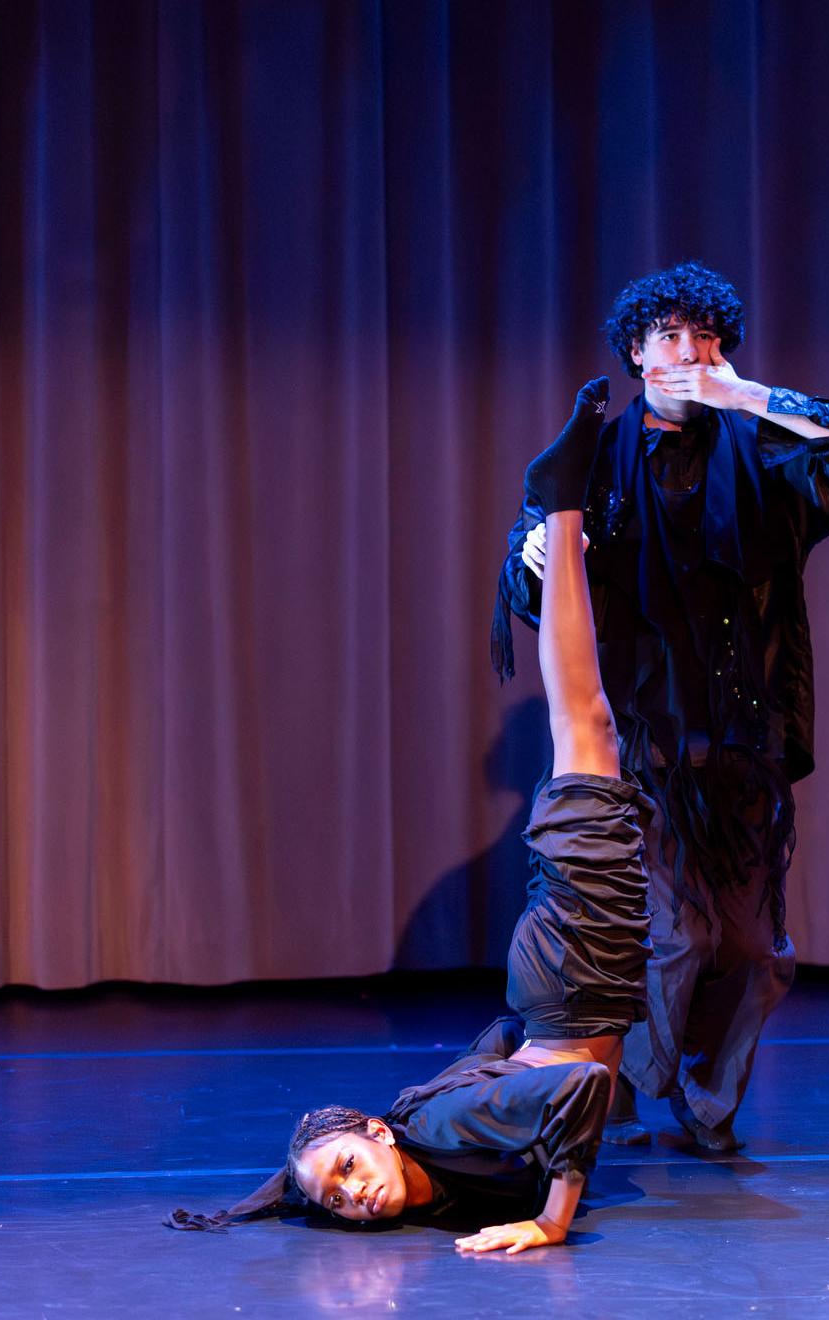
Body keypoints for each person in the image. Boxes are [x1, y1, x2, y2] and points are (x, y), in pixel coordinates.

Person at [170, 376, 646, 1254]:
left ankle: (565, 506)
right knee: (590, 730)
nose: (349, 1197)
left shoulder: (451, 1129)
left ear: (378, 1135)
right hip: (569, 986)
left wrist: (551, 1220)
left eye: (344, 1169)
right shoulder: (431, 1157)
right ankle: (565, 508)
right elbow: (516, 1056)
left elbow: (580, 1093)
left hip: (576, 975)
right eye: (334, 1199)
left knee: (588, 725)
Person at [491, 261, 829, 1151]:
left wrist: (749, 398)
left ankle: (706, 1102)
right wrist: (543, 555)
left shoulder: (762, 449)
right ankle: (627, 1087)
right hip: (644, 749)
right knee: (674, 943)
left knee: (751, 953)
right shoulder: (595, 457)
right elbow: (529, 573)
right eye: (670, 336)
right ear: (636, 352)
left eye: (705, 337)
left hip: (742, 741)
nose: (689, 353)